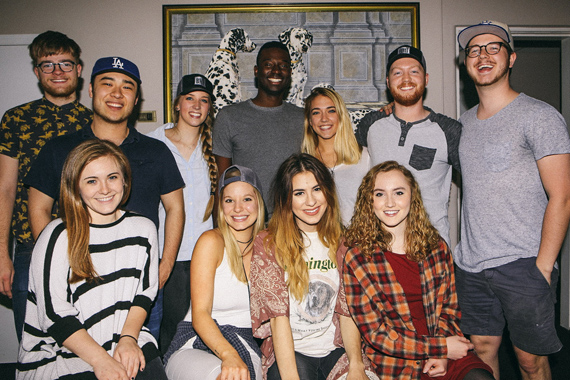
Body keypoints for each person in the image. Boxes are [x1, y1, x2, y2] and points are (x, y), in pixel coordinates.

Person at [25, 56, 185, 340]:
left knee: (137, 358)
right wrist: (60, 264)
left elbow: (175, 208)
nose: (116, 94)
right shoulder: (58, 149)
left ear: (136, 98)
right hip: (77, 281)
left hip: (139, 288)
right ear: (90, 90)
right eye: (107, 84)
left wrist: (165, 264)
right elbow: (39, 208)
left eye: (127, 87)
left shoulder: (156, 151)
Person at [454, 20, 570, 380]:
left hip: (523, 264)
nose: (483, 55)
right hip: (471, 266)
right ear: (466, 63)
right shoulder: (463, 124)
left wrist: (543, 268)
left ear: (511, 57)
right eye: (474, 50)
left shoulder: (540, 116)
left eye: (493, 48)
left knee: (530, 362)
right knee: (483, 355)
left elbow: (562, 196)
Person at [17, 139, 166, 380]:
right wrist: (101, 360)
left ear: (125, 180)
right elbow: (55, 317)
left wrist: (128, 339)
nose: (105, 189)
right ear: (75, 186)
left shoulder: (144, 228)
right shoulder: (58, 234)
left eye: (112, 177)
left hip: (127, 335)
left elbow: (144, 294)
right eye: (91, 181)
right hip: (63, 349)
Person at [343, 161, 494, 380]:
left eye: (399, 192)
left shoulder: (435, 246)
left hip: (444, 348)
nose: (390, 203)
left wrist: (443, 353)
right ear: (369, 201)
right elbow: (377, 335)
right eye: (379, 194)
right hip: (397, 360)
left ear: (412, 197)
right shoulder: (357, 258)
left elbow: (449, 309)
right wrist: (439, 347)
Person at [0, 30, 92, 341]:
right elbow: (6, 189)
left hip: (88, 246)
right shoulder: (16, 120)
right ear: (37, 71)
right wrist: (3, 254)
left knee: (85, 341)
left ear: (79, 70)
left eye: (65, 64)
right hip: (30, 248)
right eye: (47, 65)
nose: (57, 72)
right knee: (33, 340)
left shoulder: (95, 123)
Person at [250, 153, 376, 380]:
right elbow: (278, 320)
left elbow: (347, 312)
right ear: (286, 199)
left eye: (317, 189)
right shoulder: (269, 243)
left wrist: (356, 365)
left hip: (337, 350)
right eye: (299, 193)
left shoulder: (343, 242)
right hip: (291, 352)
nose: (311, 201)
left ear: (328, 191)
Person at [164, 165, 265, 380]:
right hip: (197, 340)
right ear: (220, 206)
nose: (238, 208)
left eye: (247, 199)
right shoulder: (211, 241)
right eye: (229, 200)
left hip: (246, 343)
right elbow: (200, 315)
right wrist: (229, 355)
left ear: (259, 202)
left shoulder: (270, 248)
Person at [355, 45, 461, 245]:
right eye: (397, 73)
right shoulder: (370, 125)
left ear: (426, 79)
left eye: (414, 71)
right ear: (388, 82)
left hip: (431, 249)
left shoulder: (449, 130)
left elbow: (477, 187)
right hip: (381, 249)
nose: (406, 79)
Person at [147, 73, 218, 352]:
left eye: (204, 100)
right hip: (168, 258)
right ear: (177, 104)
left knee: (204, 330)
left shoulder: (216, 148)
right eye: (190, 98)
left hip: (206, 258)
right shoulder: (153, 143)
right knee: (169, 332)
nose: (196, 106)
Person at [213, 41, 304, 217]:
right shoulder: (229, 117)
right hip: (245, 222)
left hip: (292, 222)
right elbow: (221, 183)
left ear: (290, 72)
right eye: (268, 64)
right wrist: (220, 234)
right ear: (256, 71)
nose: (276, 71)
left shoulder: (303, 118)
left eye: (283, 65)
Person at [301, 87, 370, 226]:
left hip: (358, 242)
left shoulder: (366, 158)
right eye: (316, 112)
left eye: (331, 111)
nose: (324, 119)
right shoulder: (303, 163)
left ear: (341, 115)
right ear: (309, 120)